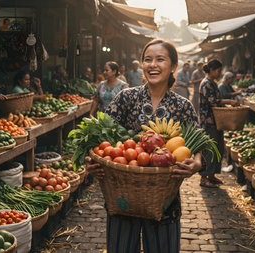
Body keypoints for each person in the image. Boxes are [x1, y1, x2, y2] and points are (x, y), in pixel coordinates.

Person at [86, 39, 202, 252]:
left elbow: (198, 147)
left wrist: (196, 164)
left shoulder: (182, 106)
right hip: (122, 196)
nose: (152, 65)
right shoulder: (126, 98)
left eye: (160, 59)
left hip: (164, 199)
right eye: (147, 60)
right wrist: (92, 160)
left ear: (173, 66)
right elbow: (100, 139)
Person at [199, 59, 239, 188]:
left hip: (216, 121)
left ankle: (212, 175)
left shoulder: (213, 83)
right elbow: (213, 101)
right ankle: (204, 178)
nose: (219, 73)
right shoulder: (206, 84)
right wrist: (229, 101)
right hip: (208, 122)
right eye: (218, 71)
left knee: (219, 148)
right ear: (211, 70)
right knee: (209, 150)